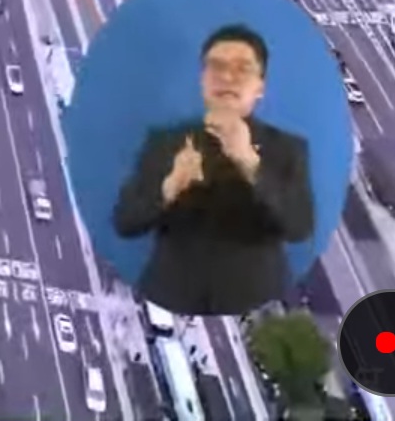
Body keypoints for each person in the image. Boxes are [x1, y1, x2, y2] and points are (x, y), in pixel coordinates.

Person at [112, 24, 316, 316]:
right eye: (216, 66)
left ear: (260, 87)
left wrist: (249, 161)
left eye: (242, 68)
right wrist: (171, 185)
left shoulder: (288, 150)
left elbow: (299, 227)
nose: (227, 77)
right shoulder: (166, 142)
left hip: (252, 306)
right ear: (202, 79)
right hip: (169, 298)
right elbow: (125, 222)